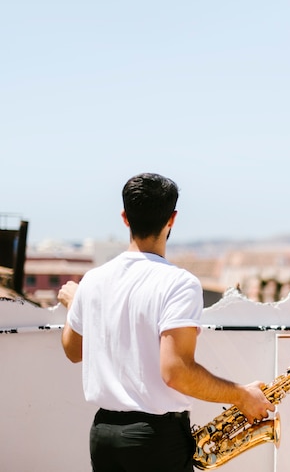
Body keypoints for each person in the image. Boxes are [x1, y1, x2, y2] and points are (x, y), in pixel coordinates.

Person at [58, 172, 274, 472]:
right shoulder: (179, 283)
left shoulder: (92, 281)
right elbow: (176, 372)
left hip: (104, 434)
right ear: (172, 219)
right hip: (154, 440)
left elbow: (73, 350)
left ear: (125, 217)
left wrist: (75, 305)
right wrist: (241, 396)